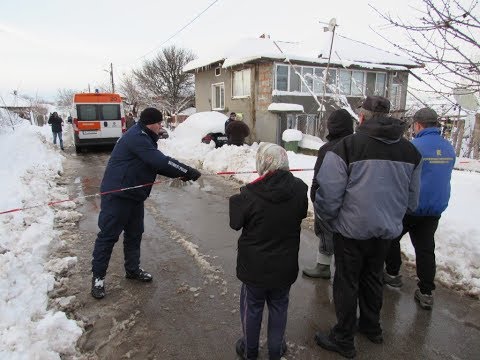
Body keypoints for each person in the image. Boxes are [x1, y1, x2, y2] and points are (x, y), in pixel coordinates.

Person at [313, 96, 422, 358]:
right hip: (386, 231)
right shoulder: (411, 151)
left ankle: (344, 338)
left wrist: (330, 221)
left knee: (347, 282)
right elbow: (412, 200)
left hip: (351, 231)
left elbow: (329, 195)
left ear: (362, 116)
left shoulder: (347, 147)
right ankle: (372, 328)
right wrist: (392, 218)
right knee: (373, 278)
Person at [91, 107, 201, 299]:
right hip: (118, 195)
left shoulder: (144, 135)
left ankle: (132, 270)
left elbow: (152, 163)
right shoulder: (137, 137)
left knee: (134, 234)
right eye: (159, 123)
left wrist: (180, 173)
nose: (161, 126)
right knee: (108, 236)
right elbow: (159, 161)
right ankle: (98, 278)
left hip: (134, 195)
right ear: (152, 123)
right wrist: (187, 170)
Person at [229, 142, 308, 360]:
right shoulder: (300, 189)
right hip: (285, 266)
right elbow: (300, 212)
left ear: (262, 163)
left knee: (252, 308)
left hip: (254, 269)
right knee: (279, 308)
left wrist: (239, 196)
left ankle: (250, 352)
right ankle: (275, 352)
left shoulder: (249, 193)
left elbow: (235, 222)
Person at [384, 107, 455, 310]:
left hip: (411, 206)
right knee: (425, 249)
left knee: (391, 238)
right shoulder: (448, 148)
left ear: (418, 125)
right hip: (435, 209)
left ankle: (392, 273)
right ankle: (426, 292)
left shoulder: (413, 147)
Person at [303, 109, 354, 279]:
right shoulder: (358, 144)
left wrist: (314, 196)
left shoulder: (328, 148)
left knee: (325, 232)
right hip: (353, 201)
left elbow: (318, 177)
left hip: (329, 198)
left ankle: (323, 266)